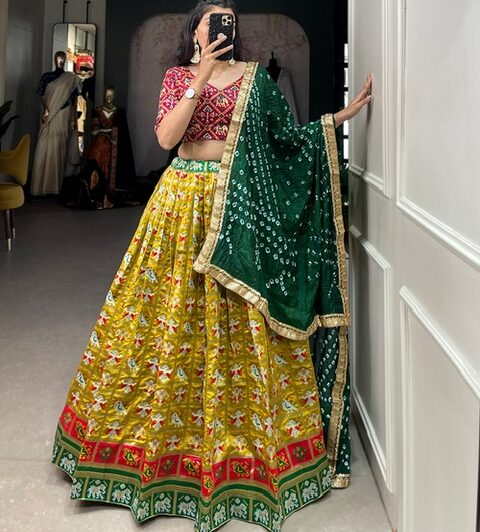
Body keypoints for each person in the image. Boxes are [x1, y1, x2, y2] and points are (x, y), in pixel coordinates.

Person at [51, 1, 372, 530]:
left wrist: (336, 120)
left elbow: (286, 141)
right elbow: (166, 139)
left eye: (230, 19)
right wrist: (200, 76)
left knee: (240, 321)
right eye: (213, 18)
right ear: (196, 29)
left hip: (238, 208)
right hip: (180, 204)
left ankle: (244, 443)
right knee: (162, 320)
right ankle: (158, 443)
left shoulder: (256, 80)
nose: (225, 25)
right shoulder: (178, 77)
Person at [30, 51, 80, 196]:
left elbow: (74, 100)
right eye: (58, 58)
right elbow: (41, 94)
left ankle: (55, 187)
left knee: (59, 148)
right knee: (43, 146)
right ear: (54, 59)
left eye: (63, 58)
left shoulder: (71, 78)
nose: (60, 61)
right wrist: (46, 109)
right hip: (49, 114)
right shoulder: (46, 76)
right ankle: (39, 187)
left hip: (64, 115)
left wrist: (74, 119)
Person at [88, 86, 137, 202]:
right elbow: (95, 130)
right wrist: (109, 131)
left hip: (115, 145)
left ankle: (112, 189)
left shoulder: (119, 112)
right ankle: (97, 188)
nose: (108, 97)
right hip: (100, 144)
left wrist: (104, 131)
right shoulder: (97, 111)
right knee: (96, 157)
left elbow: (121, 131)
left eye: (111, 95)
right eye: (107, 94)